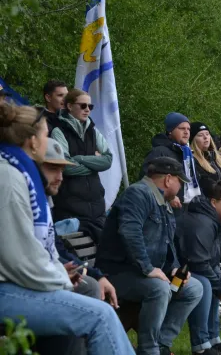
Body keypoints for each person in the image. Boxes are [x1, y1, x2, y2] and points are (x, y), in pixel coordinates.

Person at [0, 103, 134, 355]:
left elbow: (33, 251)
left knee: (81, 313)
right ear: (32, 141)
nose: (47, 140)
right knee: (100, 315)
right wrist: (61, 278)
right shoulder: (8, 177)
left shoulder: (17, 172)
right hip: (7, 292)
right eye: (45, 135)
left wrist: (61, 270)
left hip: (14, 288)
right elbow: (18, 258)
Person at [96, 157, 203, 355]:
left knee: (194, 288)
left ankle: (161, 343)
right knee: (159, 289)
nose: (180, 187)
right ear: (168, 179)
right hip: (119, 273)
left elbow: (168, 242)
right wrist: (148, 268)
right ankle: (149, 349)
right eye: (180, 182)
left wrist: (175, 267)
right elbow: (130, 232)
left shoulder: (163, 201)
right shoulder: (138, 194)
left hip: (144, 274)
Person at [178, 182, 221, 355]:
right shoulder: (203, 223)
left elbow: (213, 262)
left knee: (213, 283)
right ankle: (201, 346)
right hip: (174, 274)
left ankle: (213, 340)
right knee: (205, 284)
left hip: (189, 270)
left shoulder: (215, 222)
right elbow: (198, 264)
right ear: (214, 202)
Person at [50, 89, 112, 244]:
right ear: (69, 106)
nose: (87, 109)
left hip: (97, 210)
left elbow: (108, 160)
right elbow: (66, 166)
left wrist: (79, 159)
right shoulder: (59, 132)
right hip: (70, 211)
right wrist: (94, 164)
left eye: (90, 106)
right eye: (83, 105)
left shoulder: (93, 131)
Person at [141, 112, 201, 213]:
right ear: (170, 131)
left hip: (185, 211)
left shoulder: (188, 155)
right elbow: (146, 180)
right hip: (163, 211)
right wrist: (169, 197)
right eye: (182, 128)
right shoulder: (159, 151)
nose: (186, 132)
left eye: (188, 129)